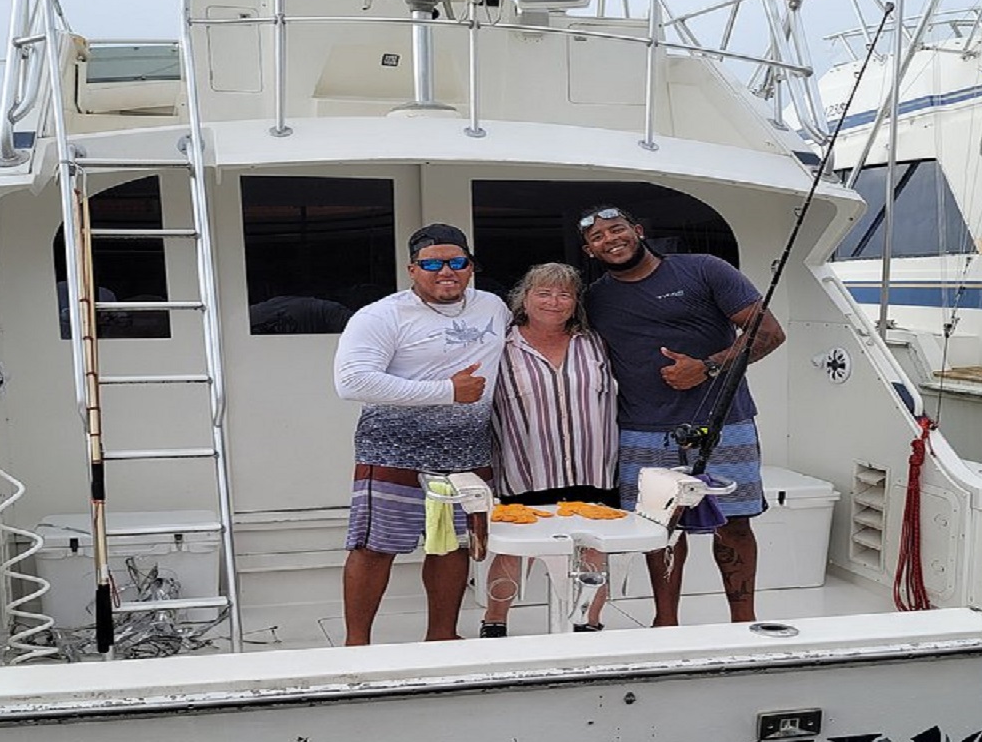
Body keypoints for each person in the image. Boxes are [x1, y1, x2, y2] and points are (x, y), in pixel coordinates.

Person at [577, 205, 785, 626]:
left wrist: (706, 367)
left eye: (617, 229)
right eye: (598, 237)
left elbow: (769, 333)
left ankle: (743, 623)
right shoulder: (595, 298)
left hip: (725, 425)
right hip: (641, 431)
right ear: (590, 251)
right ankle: (665, 622)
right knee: (658, 529)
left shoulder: (705, 269)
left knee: (735, 526)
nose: (610, 239)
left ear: (637, 229)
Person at [334, 223, 509, 645]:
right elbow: (351, 382)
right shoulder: (381, 314)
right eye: (431, 263)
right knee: (375, 547)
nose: (445, 271)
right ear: (413, 269)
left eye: (456, 262)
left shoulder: (494, 307)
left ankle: (442, 638)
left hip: (468, 452)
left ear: (470, 267)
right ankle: (356, 646)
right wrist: (448, 391)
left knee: (452, 547)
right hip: (393, 451)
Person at [480, 263, 620, 637]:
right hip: (525, 469)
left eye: (564, 294)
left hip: (592, 469)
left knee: (592, 550)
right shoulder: (499, 346)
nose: (554, 302)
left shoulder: (595, 342)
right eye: (543, 293)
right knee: (513, 552)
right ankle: (494, 625)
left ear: (575, 303)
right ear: (524, 299)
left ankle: (588, 626)